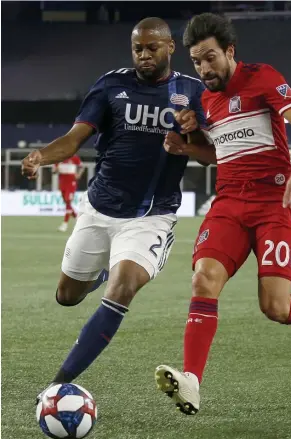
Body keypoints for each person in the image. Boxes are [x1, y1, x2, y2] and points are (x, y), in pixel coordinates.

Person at [155, 12, 291, 415]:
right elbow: (218, 156)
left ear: (230, 51)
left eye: (210, 58)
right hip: (229, 204)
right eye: (196, 61)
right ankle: (191, 381)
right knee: (203, 279)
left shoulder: (262, 77)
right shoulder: (206, 101)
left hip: (274, 202)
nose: (204, 69)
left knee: (275, 306)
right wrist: (189, 147)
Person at [21, 17, 206, 400]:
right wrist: (42, 155)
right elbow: (75, 139)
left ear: (170, 47)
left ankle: (57, 385)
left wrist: (192, 137)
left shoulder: (193, 92)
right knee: (67, 296)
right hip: (99, 208)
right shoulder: (110, 84)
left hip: (151, 217)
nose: (144, 55)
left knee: (123, 288)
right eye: (137, 48)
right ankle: (104, 269)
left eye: (152, 47)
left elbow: (213, 154)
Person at [53, 155, 85, 232]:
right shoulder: (59, 158)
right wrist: (56, 169)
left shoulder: (74, 157)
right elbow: (54, 171)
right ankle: (78, 219)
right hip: (62, 182)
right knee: (67, 203)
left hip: (71, 182)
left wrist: (78, 175)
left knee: (68, 201)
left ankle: (65, 224)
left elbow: (81, 166)